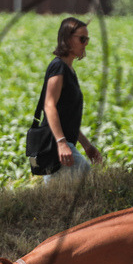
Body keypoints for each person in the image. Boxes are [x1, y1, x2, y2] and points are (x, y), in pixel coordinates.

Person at [38, 17, 102, 181]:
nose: (85, 43)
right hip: (55, 145)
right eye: (82, 39)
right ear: (66, 39)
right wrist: (61, 142)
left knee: (60, 199)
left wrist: (86, 145)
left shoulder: (68, 70)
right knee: (88, 184)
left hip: (63, 145)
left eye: (87, 39)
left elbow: (66, 117)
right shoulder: (58, 67)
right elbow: (49, 105)